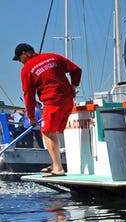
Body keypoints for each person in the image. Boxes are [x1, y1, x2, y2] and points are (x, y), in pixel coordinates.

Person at [13, 42, 81, 176]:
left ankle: (58, 168)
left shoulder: (27, 69)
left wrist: (31, 116)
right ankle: (55, 163)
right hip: (68, 100)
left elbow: (28, 94)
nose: (20, 62)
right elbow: (76, 70)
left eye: (19, 58)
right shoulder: (53, 57)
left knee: (47, 132)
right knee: (52, 131)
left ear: (25, 54)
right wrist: (73, 86)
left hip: (53, 101)